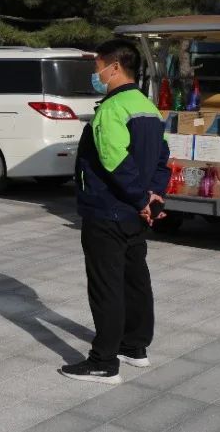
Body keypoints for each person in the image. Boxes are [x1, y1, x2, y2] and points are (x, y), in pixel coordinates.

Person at [61, 39, 169, 384]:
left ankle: (103, 362)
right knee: (135, 280)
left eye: (98, 67)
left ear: (115, 67)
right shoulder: (147, 107)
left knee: (106, 286)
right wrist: (153, 199)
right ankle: (134, 347)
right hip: (135, 215)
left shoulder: (111, 109)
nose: (96, 74)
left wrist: (140, 200)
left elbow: (115, 162)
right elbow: (163, 158)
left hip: (108, 210)